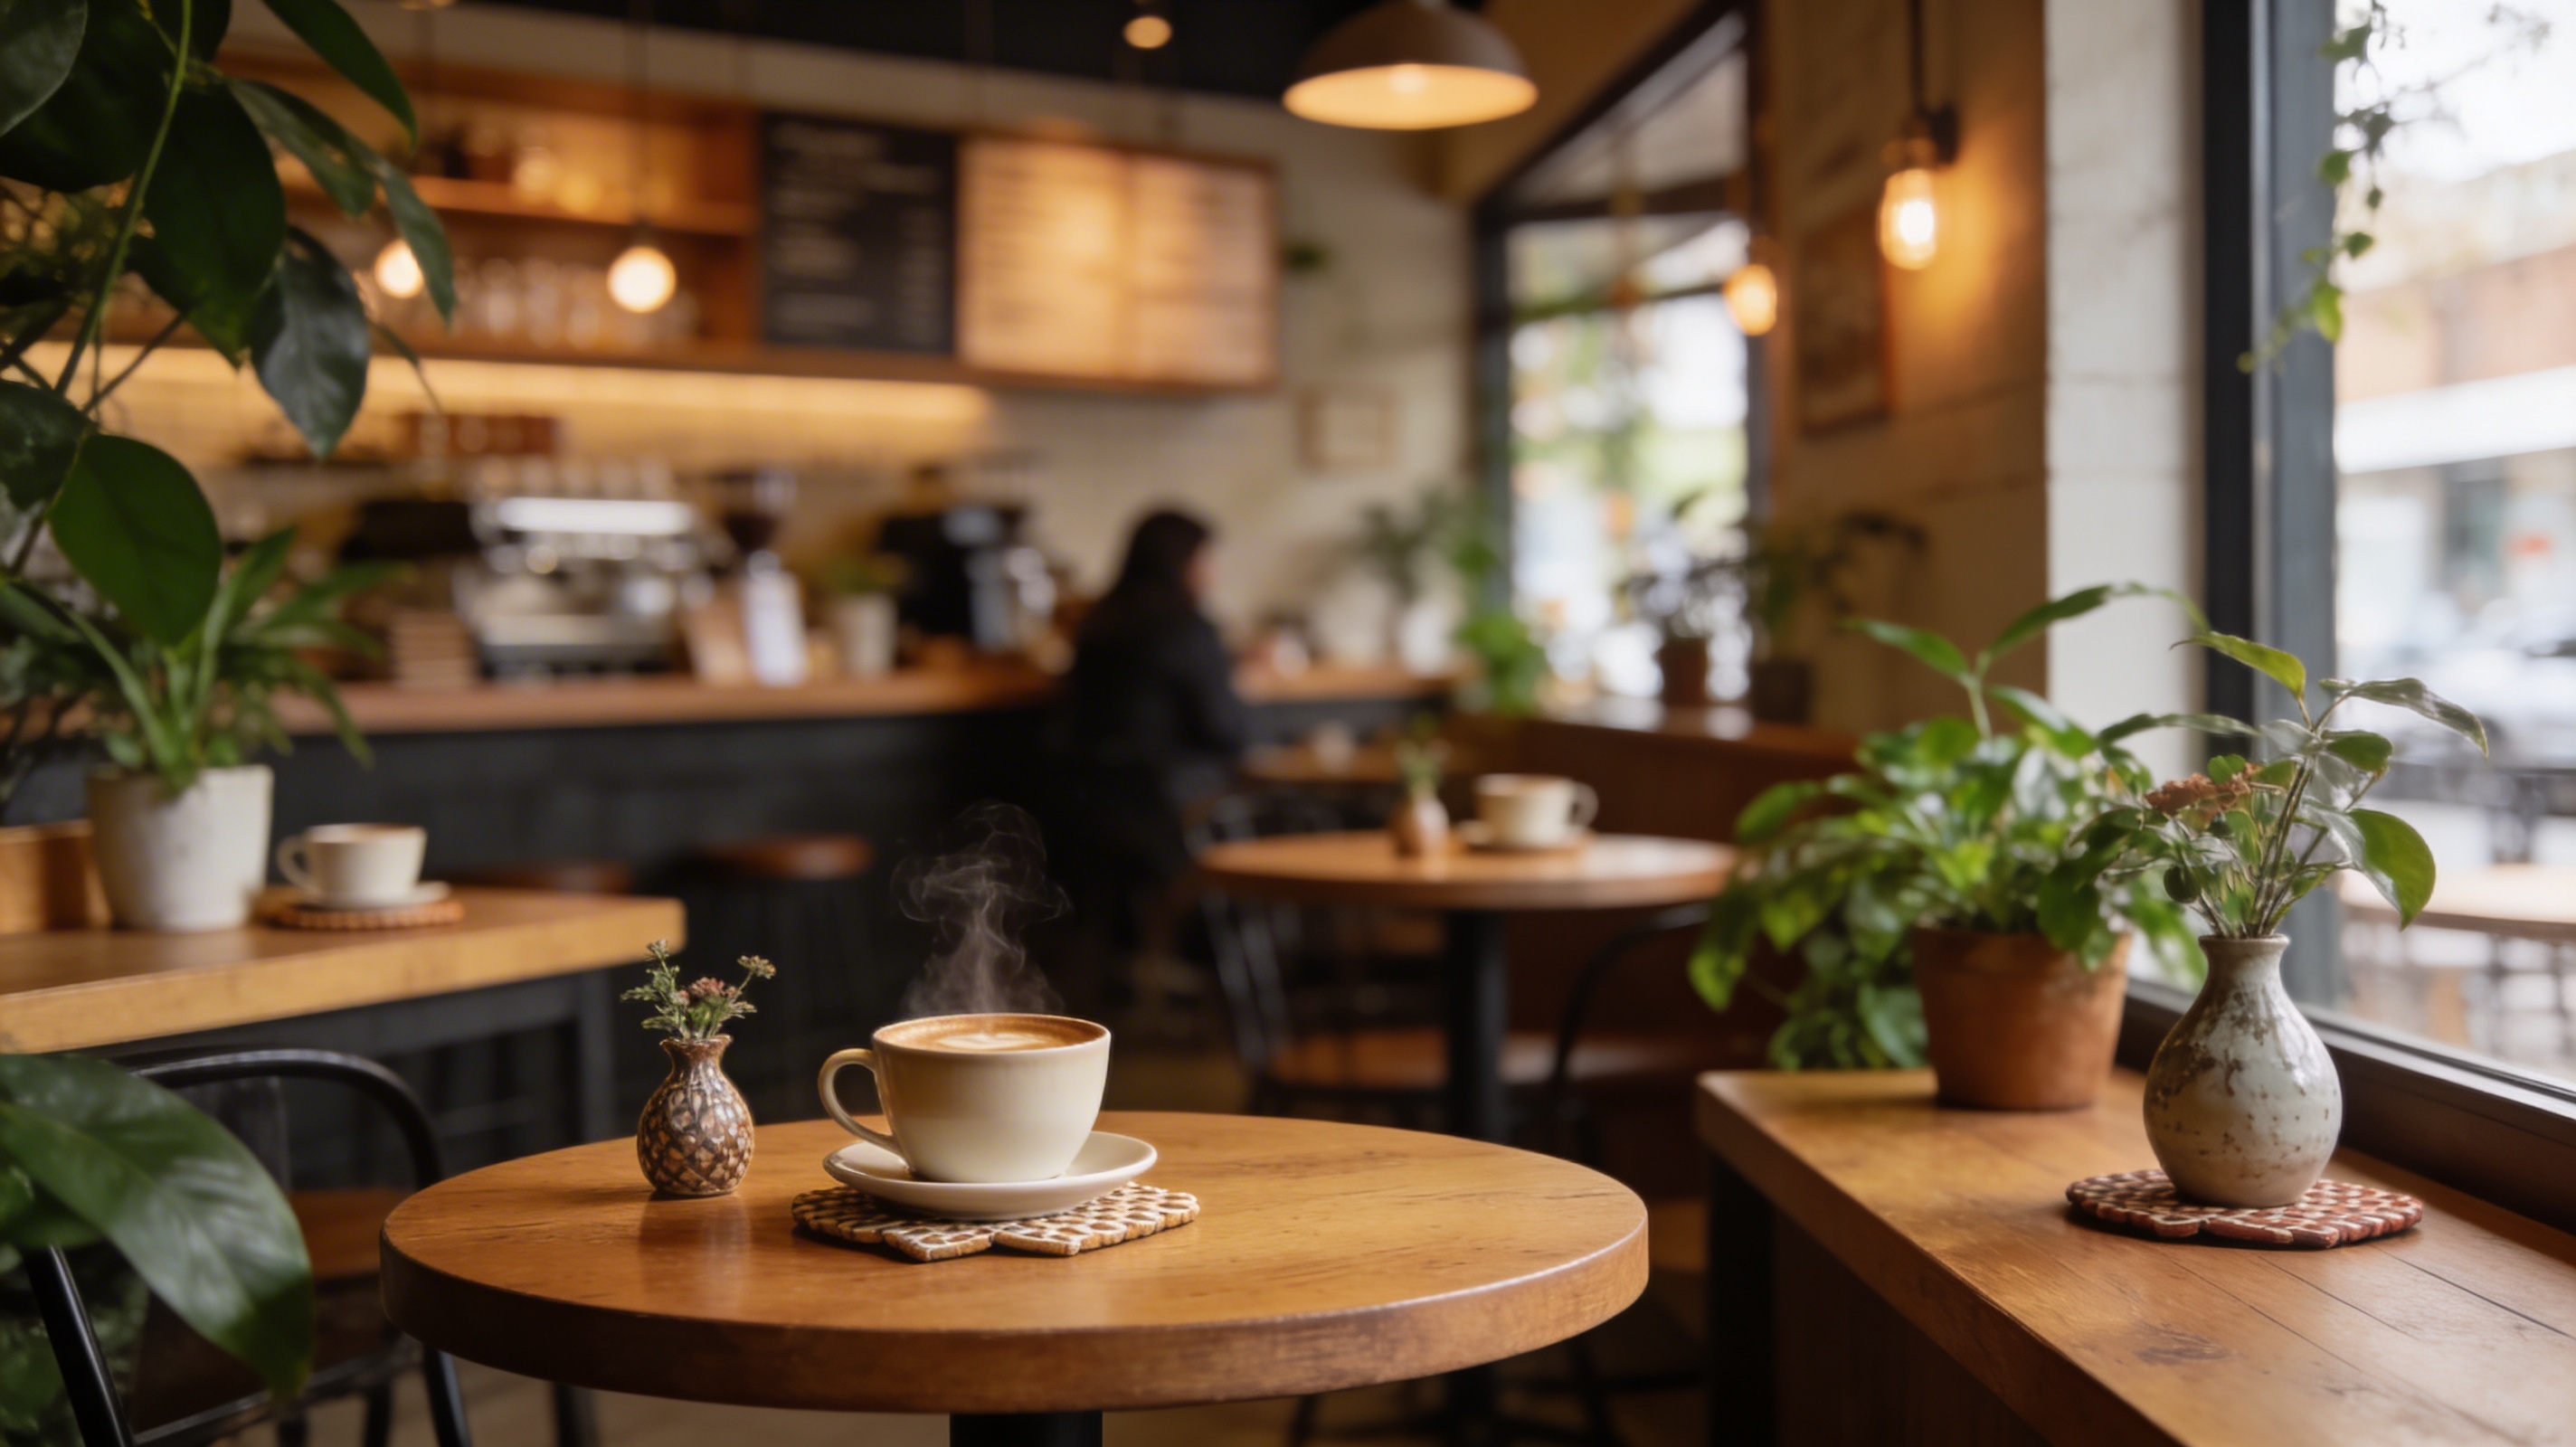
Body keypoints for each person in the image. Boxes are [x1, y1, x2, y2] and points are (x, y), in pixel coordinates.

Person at [1052, 508, 1246, 1007]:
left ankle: (1121, 976)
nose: (1214, 572)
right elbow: (1228, 732)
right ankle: (1235, 986)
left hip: (1081, 807)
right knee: (1269, 825)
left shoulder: (1095, 623)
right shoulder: (1188, 628)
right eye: (1207, 559)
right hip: (1163, 816)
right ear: (1183, 563)